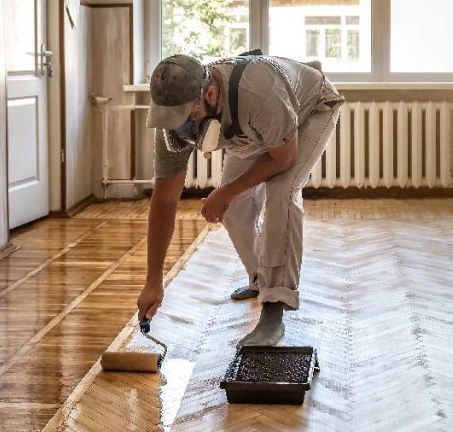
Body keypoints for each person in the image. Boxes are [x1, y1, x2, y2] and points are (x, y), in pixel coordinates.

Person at [137, 52, 344, 346]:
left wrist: (226, 190)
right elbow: (164, 201)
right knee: (233, 208)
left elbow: (283, 159)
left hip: (310, 109)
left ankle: (275, 307)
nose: (181, 130)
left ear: (209, 93)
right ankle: (260, 279)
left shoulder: (260, 91)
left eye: (188, 117)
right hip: (254, 126)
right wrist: (153, 280)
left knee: (282, 192)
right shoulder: (171, 121)